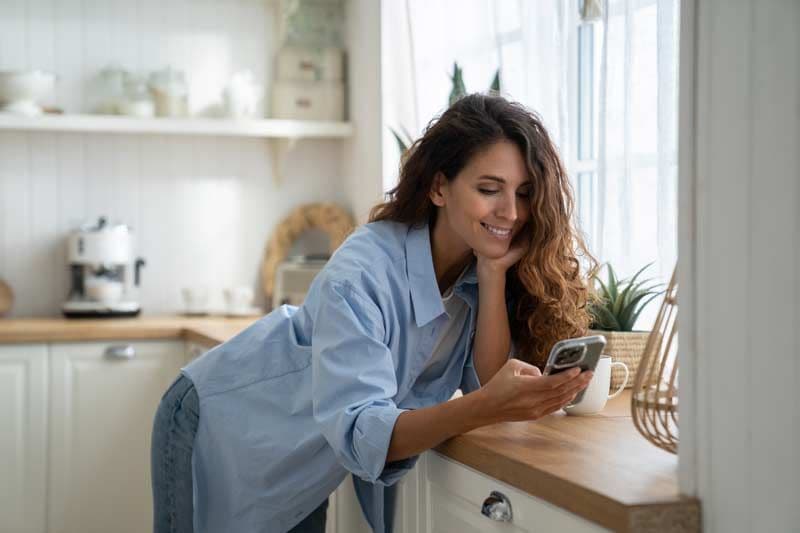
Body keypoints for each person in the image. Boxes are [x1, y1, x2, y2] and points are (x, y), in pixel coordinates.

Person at [151, 93, 596, 533]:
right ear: (440, 187)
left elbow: (491, 381)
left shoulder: (477, 269)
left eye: (523, 193)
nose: (512, 212)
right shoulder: (362, 273)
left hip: (303, 461)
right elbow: (367, 428)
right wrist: (482, 406)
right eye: (488, 189)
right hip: (222, 425)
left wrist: (494, 273)